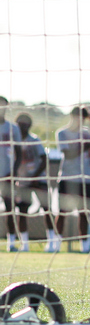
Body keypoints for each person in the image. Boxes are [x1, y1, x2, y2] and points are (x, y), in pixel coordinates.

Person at [12, 113, 57, 252]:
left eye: (25, 124)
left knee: (47, 209)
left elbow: (44, 160)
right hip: (23, 181)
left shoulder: (35, 140)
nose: (22, 126)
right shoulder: (14, 141)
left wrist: (35, 178)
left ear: (29, 125)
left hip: (38, 180)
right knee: (22, 211)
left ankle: (52, 242)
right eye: (20, 123)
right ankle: (24, 244)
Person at [57, 106, 90, 253]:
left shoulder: (88, 133)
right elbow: (69, 154)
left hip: (85, 178)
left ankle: (84, 246)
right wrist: (84, 146)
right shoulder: (62, 133)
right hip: (67, 176)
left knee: (84, 213)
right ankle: (56, 244)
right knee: (63, 211)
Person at [0, 96, 21, 251]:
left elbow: (18, 152)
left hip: (7, 174)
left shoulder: (13, 128)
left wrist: (14, 172)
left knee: (10, 208)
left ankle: (11, 243)